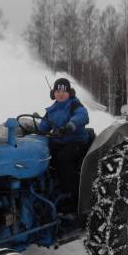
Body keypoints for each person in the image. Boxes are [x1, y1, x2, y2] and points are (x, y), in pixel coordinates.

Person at [39, 78, 90, 211]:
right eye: (57, 91)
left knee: (63, 159)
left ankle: (74, 197)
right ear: (53, 93)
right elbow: (44, 126)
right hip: (58, 141)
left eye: (64, 91)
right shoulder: (52, 109)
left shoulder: (75, 105)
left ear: (70, 93)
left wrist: (70, 126)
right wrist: (35, 130)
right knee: (42, 156)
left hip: (76, 140)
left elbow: (82, 116)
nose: (60, 94)